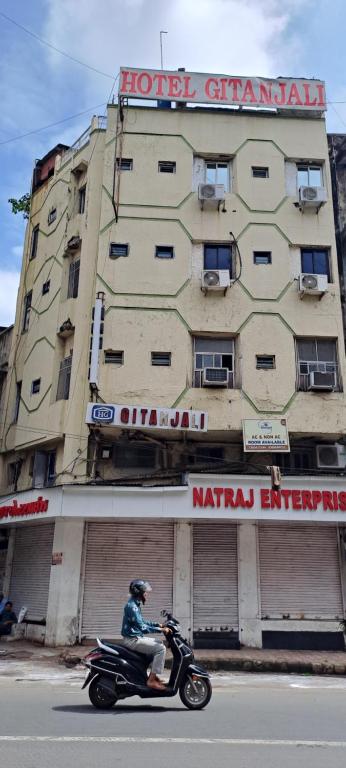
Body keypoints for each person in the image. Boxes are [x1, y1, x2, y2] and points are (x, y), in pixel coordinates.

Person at [121, 580, 170, 691]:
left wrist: (158, 624)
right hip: (132, 640)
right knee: (161, 649)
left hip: (136, 637)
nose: (146, 594)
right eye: (145, 592)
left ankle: (153, 675)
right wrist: (161, 630)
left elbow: (142, 622)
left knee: (159, 643)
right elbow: (142, 627)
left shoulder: (135, 604)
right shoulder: (132, 607)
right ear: (139, 593)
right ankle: (151, 680)